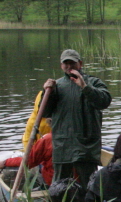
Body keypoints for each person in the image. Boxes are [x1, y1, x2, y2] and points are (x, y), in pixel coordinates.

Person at [42, 49, 112, 189]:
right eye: (66, 63)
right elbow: (44, 112)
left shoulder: (94, 82)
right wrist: (46, 92)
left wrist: (85, 87)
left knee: (90, 186)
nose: (69, 66)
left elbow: (104, 101)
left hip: (86, 146)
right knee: (59, 187)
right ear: (61, 65)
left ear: (80, 63)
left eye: (72, 63)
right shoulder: (56, 86)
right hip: (63, 145)